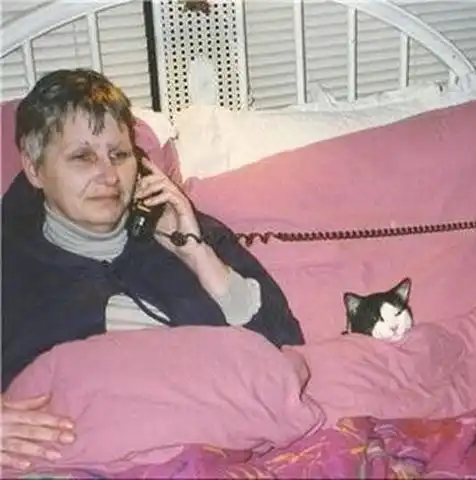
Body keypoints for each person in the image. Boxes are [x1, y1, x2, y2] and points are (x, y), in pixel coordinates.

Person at [1, 68, 305, 470]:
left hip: (219, 450)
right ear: (34, 168)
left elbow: (285, 350)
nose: (109, 176)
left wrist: (196, 255)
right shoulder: (10, 262)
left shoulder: (192, 234)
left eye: (120, 155)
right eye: (82, 157)